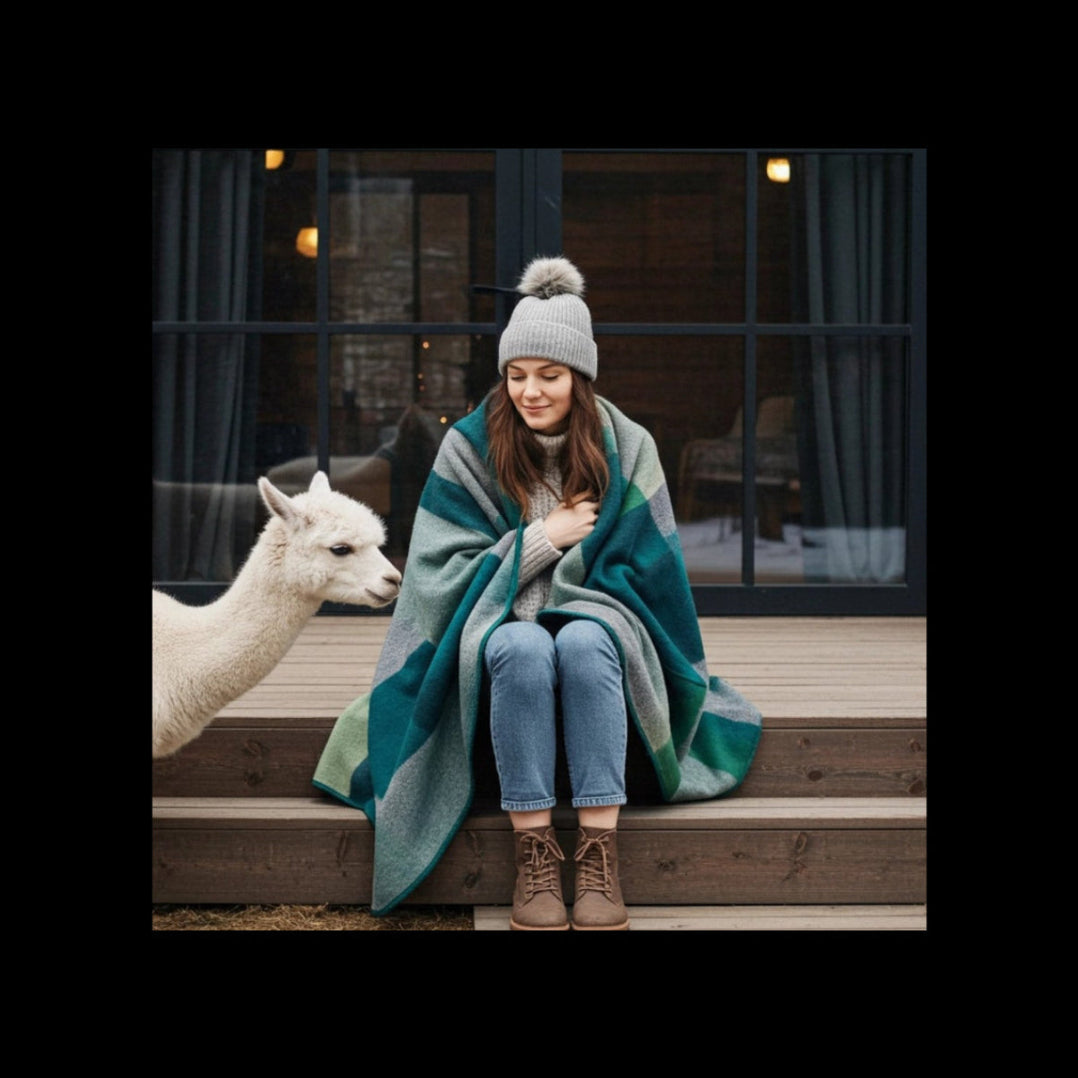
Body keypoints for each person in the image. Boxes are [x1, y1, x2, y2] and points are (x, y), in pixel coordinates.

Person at [313, 256, 762, 930]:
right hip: (492, 640)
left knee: (582, 640)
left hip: (604, 638)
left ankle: (599, 851)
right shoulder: (467, 448)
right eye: (516, 376)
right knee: (524, 644)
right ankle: (536, 856)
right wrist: (542, 541)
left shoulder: (628, 447)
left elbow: (652, 580)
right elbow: (439, 577)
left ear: (581, 378)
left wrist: (574, 598)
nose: (530, 391)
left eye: (549, 376)